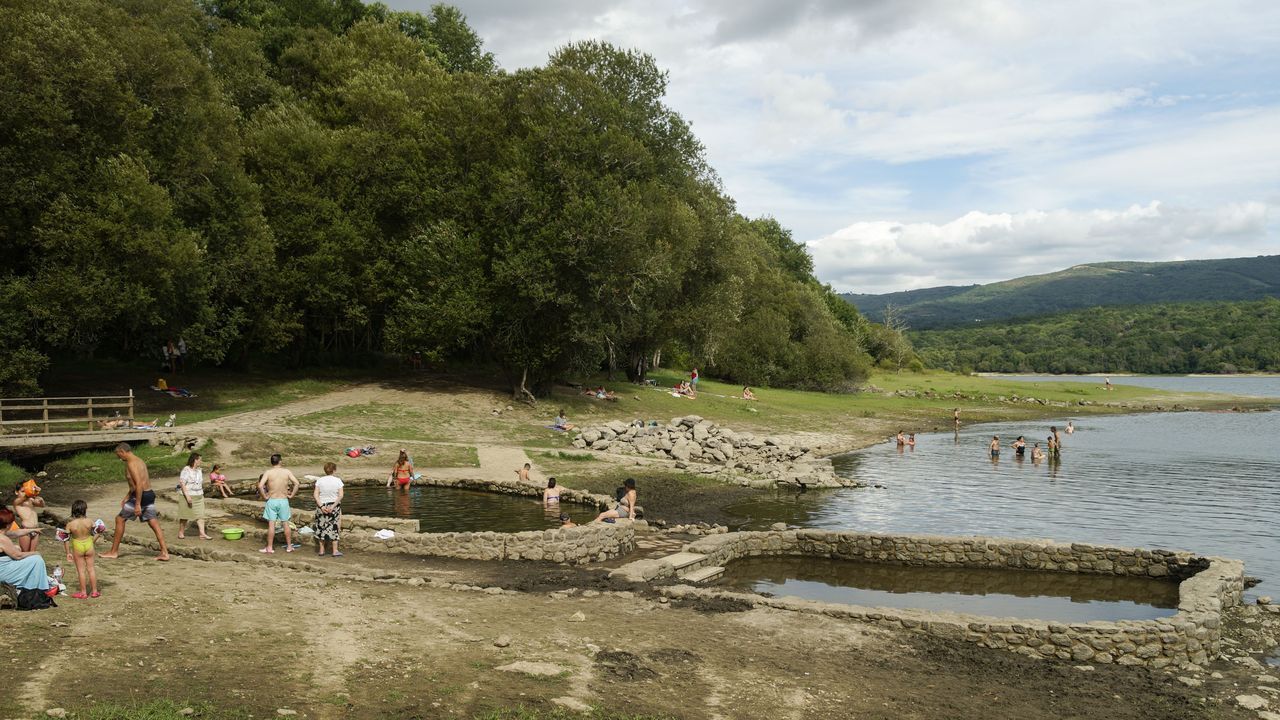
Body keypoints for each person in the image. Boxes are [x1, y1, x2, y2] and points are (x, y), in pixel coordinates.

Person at [101, 443, 170, 561]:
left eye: (119, 455)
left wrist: (137, 504)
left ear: (123, 451)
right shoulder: (139, 460)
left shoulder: (131, 463)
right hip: (148, 494)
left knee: (120, 519)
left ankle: (114, 552)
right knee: (153, 523)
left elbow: (139, 484)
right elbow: (135, 485)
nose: (119, 458)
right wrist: (127, 496)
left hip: (141, 496)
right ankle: (165, 552)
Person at [257, 454, 299, 554]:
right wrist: (292, 495)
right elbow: (297, 483)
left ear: (272, 462)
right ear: (280, 461)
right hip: (283, 500)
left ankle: (270, 548)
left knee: (271, 525)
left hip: (272, 500)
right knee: (286, 524)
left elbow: (260, 486)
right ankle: (289, 547)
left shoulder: (268, 472)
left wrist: (265, 496)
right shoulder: (287, 472)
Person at [0, 528, 54, 597]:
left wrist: (32, 530)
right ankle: (38, 590)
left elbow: (16, 533)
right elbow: (17, 556)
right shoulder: (2, 538)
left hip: (4, 568)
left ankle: (45, 582)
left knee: (18, 548)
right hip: (3, 573)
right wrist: (34, 553)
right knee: (37, 560)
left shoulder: (2, 535)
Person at [63, 499, 100, 599]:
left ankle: (83, 592)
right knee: (91, 569)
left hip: (77, 546)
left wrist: (68, 553)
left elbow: (66, 539)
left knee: (81, 571)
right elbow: (99, 531)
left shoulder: (70, 524)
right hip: (89, 544)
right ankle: (94, 591)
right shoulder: (89, 521)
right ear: (85, 510)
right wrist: (92, 541)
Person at [312, 462, 344, 557]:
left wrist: (321, 506)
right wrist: (333, 506)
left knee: (321, 527)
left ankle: (321, 550)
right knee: (334, 527)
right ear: (334, 470)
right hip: (333, 506)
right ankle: (335, 550)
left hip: (321, 505)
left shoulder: (320, 481)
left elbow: (315, 494)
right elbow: (341, 495)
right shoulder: (338, 481)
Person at [176, 452, 210, 540]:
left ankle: (202, 533)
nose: (201, 462)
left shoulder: (199, 470)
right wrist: (187, 496)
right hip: (187, 495)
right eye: (200, 460)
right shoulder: (186, 470)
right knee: (185, 515)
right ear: (195, 460)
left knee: (200, 515)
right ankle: (181, 532)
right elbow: (182, 484)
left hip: (199, 495)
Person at [12, 481, 44, 552]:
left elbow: (42, 505)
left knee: (32, 553)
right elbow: (26, 496)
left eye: (26, 491)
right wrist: (32, 491)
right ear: (16, 492)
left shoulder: (31, 500)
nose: (25, 493)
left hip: (36, 529)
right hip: (26, 530)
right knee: (25, 553)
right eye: (23, 491)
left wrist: (40, 499)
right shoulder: (17, 502)